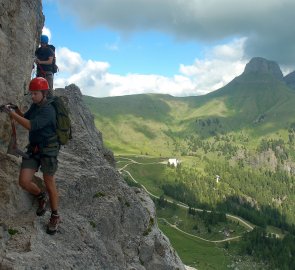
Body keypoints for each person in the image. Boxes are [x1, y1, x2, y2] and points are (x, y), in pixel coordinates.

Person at [3, 77, 60, 235]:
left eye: (35, 93)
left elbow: (30, 125)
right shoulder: (36, 106)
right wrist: (16, 110)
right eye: (32, 93)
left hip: (48, 151)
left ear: (44, 93)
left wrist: (12, 115)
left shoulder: (49, 110)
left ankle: (55, 216)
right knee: (23, 181)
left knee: (49, 182)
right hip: (35, 150)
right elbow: (27, 118)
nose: (33, 96)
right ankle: (40, 196)